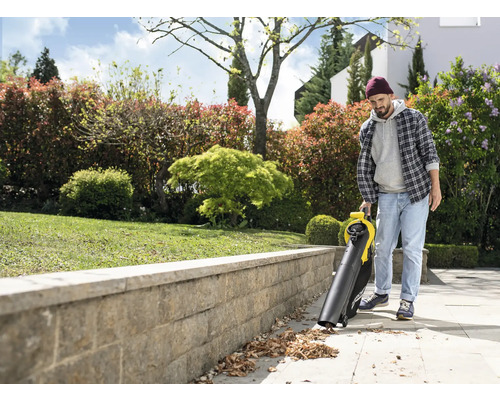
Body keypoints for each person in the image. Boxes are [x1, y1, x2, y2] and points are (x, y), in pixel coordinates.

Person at [357, 76, 441, 320]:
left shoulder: (413, 117)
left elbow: (429, 153)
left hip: (416, 193)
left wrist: (435, 187)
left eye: (381, 99)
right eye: (372, 102)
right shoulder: (367, 128)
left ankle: (407, 300)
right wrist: (368, 198)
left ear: (391, 95)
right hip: (387, 194)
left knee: (412, 249)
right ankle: (381, 293)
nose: (377, 105)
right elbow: (367, 166)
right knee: (382, 248)